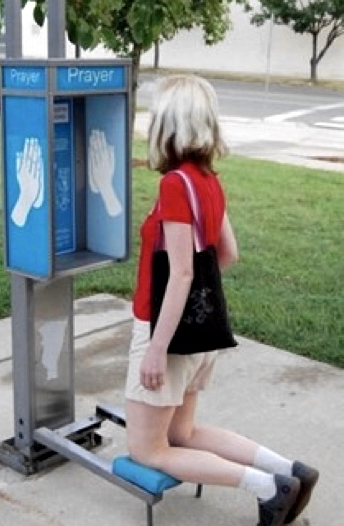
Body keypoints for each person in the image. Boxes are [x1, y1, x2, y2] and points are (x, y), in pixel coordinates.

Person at [125, 75, 319, 526]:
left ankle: (269, 487)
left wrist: (156, 347)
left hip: (168, 335)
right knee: (183, 432)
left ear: (168, 124)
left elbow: (183, 272)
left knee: (148, 448)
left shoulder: (175, 185)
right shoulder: (208, 181)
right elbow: (227, 254)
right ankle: (288, 470)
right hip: (205, 333)